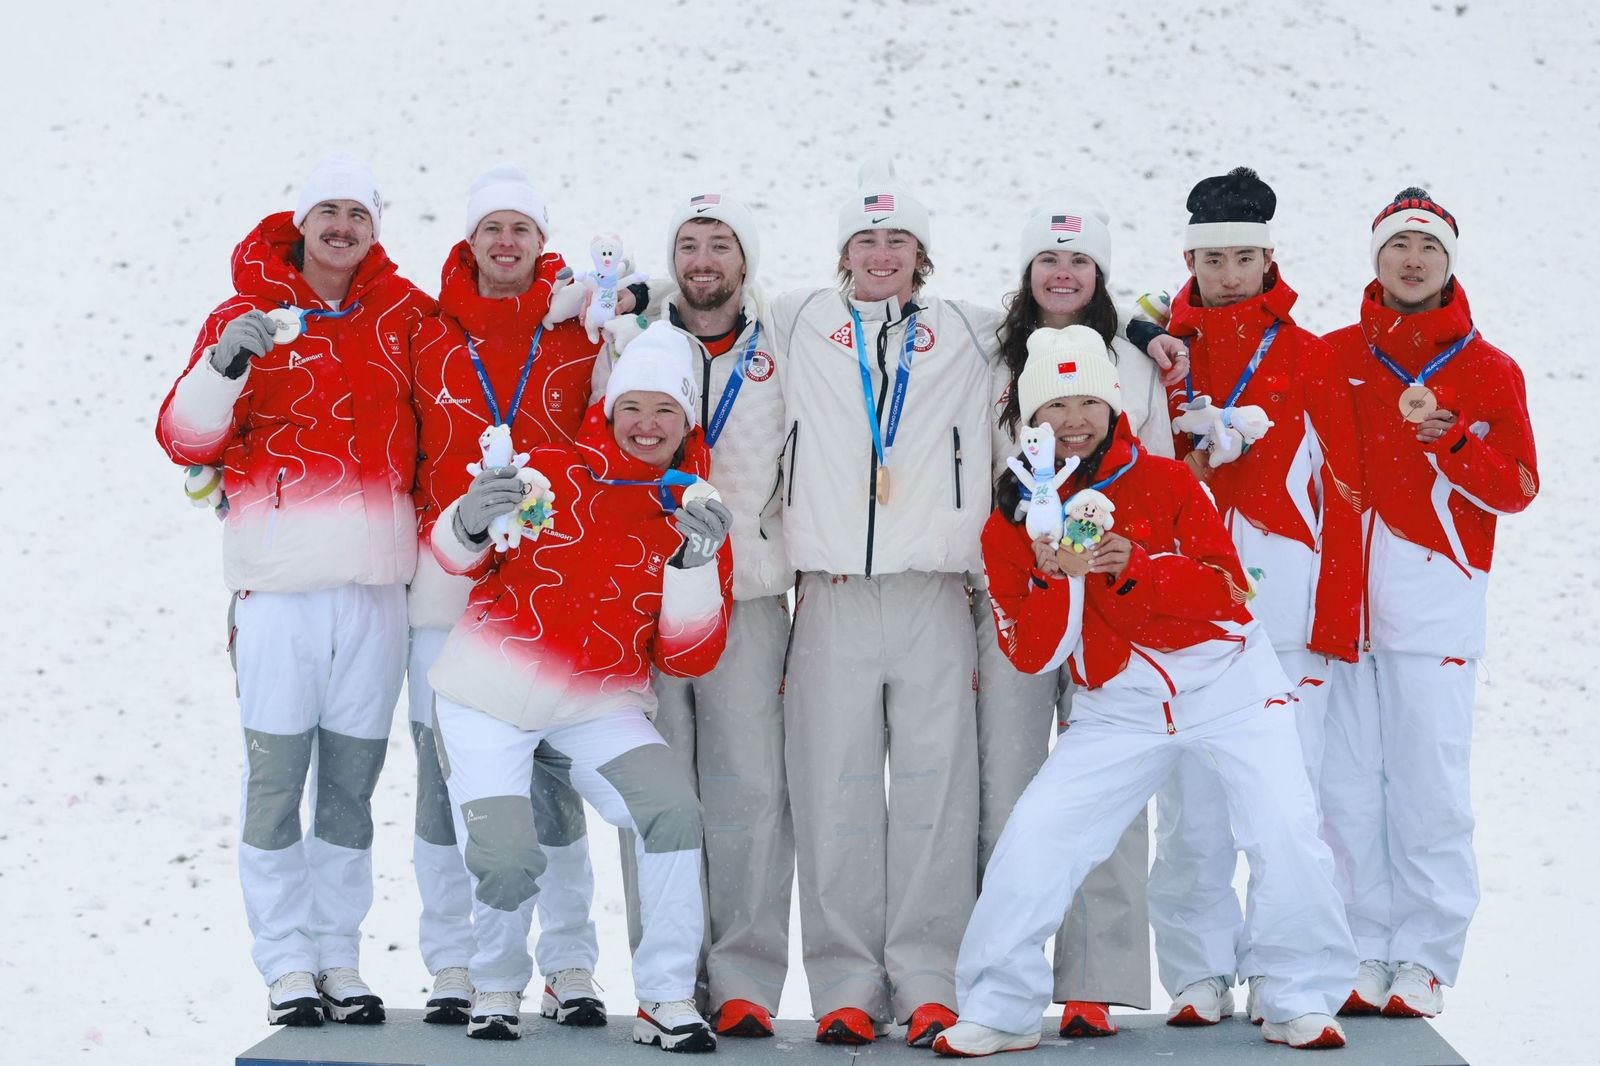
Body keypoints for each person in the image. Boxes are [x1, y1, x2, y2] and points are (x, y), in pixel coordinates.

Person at [935, 325, 1356, 1057]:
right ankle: (1000, 1006)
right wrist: (1054, 579)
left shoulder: (1166, 479)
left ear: (1112, 406)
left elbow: (1231, 593)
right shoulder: (1011, 520)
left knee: (1286, 832)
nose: (1073, 419)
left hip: (1229, 689)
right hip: (1119, 710)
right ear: (1030, 418)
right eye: (1055, 404)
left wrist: (1138, 568)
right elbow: (1030, 654)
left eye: (1087, 402)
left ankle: (1298, 995)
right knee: (1037, 839)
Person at [155, 153, 434, 1026]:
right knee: (276, 784)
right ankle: (284, 960)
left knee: (350, 789)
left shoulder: (403, 313)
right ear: (303, 222)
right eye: (328, 212)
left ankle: (338, 957)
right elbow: (184, 439)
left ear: (375, 227)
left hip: (376, 596)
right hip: (278, 594)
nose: (342, 228)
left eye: (359, 214)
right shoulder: (243, 314)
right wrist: (223, 366)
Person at [424, 322, 734, 1051]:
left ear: (686, 421)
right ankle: (497, 983)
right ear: (608, 409)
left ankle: (664, 996)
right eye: (633, 407)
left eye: (665, 410)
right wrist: (468, 520)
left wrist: (695, 566)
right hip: (488, 695)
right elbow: (454, 557)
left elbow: (688, 658)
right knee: (505, 855)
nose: (647, 424)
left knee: (672, 813)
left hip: (599, 704)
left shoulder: (695, 512)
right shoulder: (547, 473)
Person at [766, 157, 995, 1047]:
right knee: (835, 794)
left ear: (921, 253)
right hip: (831, 594)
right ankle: (845, 983)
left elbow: (1063, 313)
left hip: (933, 590)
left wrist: (1150, 327)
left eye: (899, 239)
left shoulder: (969, 329)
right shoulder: (796, 319)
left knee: (938, 795)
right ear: (844, 251)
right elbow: (704, 300)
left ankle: (932, 977)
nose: (882, 253)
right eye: (866, 238)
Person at [1144, 166, 1363, 1028]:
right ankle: (1197, 970)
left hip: (1288, 614)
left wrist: (1335, 619)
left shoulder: (1312, 355)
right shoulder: (1159, 355)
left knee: (1285, 809)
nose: (1229, 274)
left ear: (1270, 259)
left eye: (1244, 257)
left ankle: (1288, 976)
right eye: (1213, 259)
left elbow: (1347, 493)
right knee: (1190, 810)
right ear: (1188, 262)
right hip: (1181, 614)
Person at [1319, 188, 1537, 1019]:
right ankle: (1359, 947)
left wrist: (1451, 442)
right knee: (1346, 788)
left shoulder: (1490, 369)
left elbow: (1518, 487)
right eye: (1398, 245)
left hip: (1436, 604)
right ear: (1375, 257)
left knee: (1428, 790)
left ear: (1449, 263)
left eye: (1429, 248)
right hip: (1342, 606)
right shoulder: (1334, 354)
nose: (1412, 260)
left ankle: (1425, 957)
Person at [973, 190, 1178, 1038]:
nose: (1063, 273)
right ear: (1028, 271)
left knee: (1111, 781)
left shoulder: (1136, 361)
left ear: (1100, 272)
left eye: (1079, 260)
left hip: (1111, 597)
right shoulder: (990, 356)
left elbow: (1156, 473)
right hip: (1022, 592)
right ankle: (1002, 970)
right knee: (1010, 781)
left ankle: (1098, 976)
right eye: (1048, 259)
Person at [407, 163, 608, 1027]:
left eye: (521, 227)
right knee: (444, 787)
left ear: (540, 240)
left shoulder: (578, 330)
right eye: (492, 226)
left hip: (547, 597)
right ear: (470, 238)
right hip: (444, 595)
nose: (506, 241)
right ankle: (454, 960)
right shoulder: (425, 331)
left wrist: (624, 305)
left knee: (552, 786)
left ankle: (568, 962)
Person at [594, 192, 794, 1038]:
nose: (703, 261)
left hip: (748, 595)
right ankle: (666, 977)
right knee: (657, 795)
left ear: (746, 261)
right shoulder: (630, 338)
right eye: (689, 245)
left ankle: (744, 977)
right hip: (645, 600)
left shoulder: (781, 341)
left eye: (721, 245)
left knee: (751, 791)